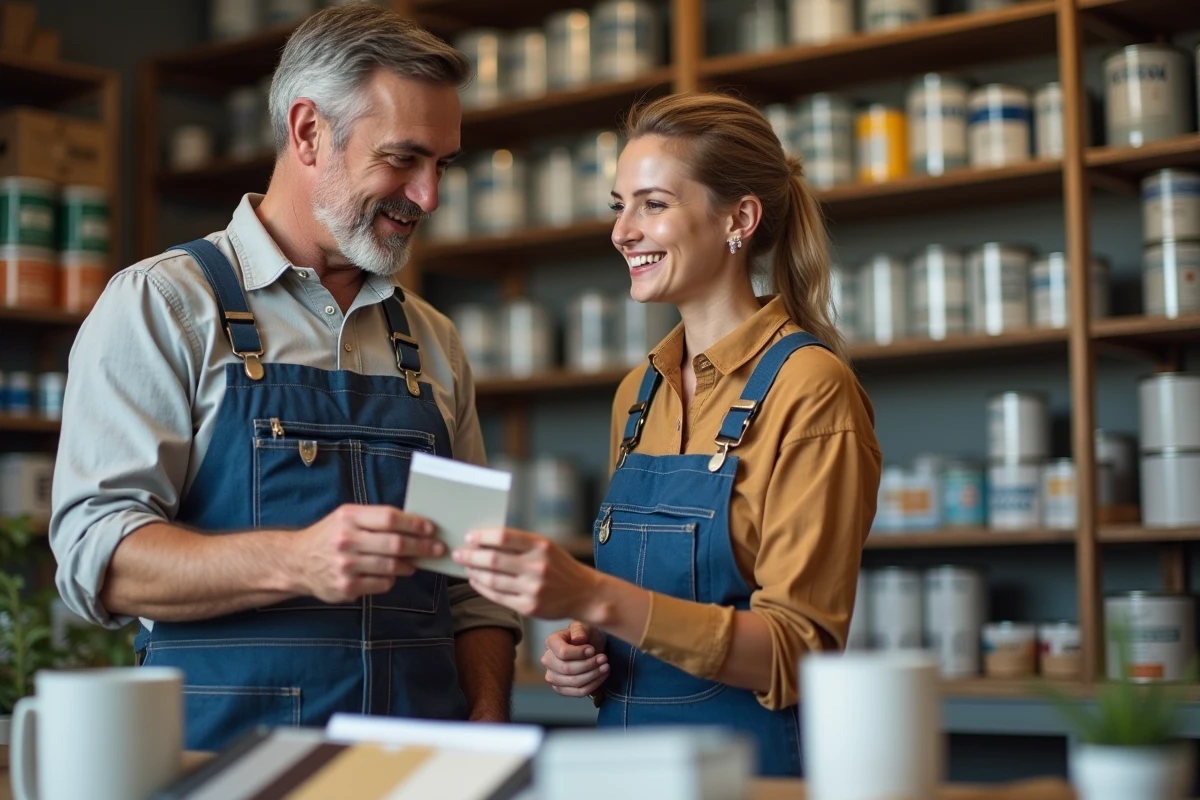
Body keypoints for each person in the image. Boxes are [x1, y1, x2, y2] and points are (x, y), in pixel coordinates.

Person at [49, 5, 521, 751]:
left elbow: (470, 579)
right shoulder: (164, 305)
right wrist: (296, 560)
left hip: (418, 771)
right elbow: (97, 558)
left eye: (443, 166)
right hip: (222, 767)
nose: (428, 196)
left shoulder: (432, 340)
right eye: (403, 158)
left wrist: (489, 710)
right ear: (307, 133)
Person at [452, 92, 883, 776]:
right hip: (623, 766)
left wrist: (596, 595)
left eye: (652, 204)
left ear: (739, 218)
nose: (623, 231)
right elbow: (642, 608)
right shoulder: (638, 393)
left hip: (750, 774)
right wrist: (587, 646)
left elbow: (798, 653)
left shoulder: (810, 386)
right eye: (618, 205)